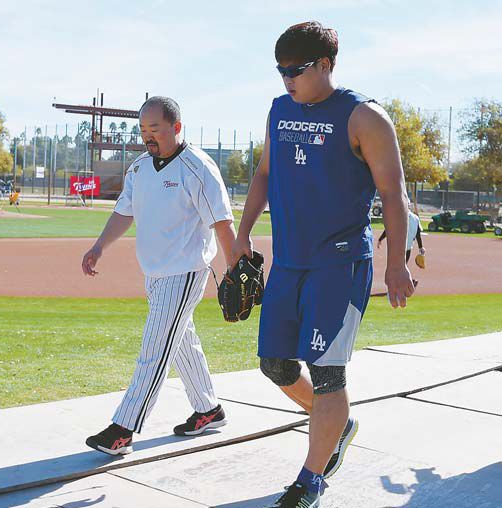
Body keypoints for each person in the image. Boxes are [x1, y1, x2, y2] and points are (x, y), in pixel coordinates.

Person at [231, 22, 414, 507]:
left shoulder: (364, 117)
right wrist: (242, 231)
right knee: (274, 363)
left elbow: (393, 194)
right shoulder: (279, 109)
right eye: (280, 70)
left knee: (328, 371)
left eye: (296, 70)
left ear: (327, 64)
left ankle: (310, 479)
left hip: (339, 265)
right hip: (289, 263)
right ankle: (336, 424)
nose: (287, 79)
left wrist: (395, 264)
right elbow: (265, 173)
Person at [82, 96, 236, 455]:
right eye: (143, 130)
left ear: (176, 127)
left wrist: (231, 269)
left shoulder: (197, 166)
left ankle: (123, 429)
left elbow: (221, 221)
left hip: (186, 271)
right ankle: (208, 409)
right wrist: (99, 246)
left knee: (154, 349)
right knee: (180, 342)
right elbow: (124, 212)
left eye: (155, 129)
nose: (147, 137)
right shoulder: (139, 168)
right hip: (154, 271)